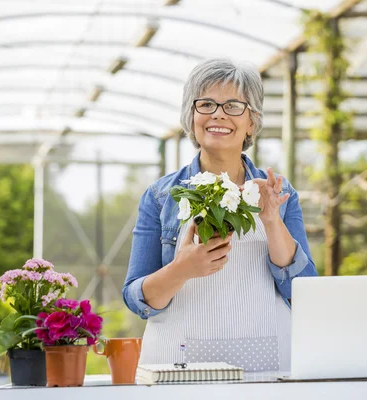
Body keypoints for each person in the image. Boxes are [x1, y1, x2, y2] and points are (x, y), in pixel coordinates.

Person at [122, 58, 317, 372]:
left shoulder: (278, 192)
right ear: (191, 115)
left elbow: (304, 293)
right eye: (207, 104)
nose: (218, 114)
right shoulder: (161, 196)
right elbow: (137, 300)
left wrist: (271, 220)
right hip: (179, 368)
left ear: (252, 122)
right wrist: (182, 268)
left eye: (233, 106)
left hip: (269, 368)